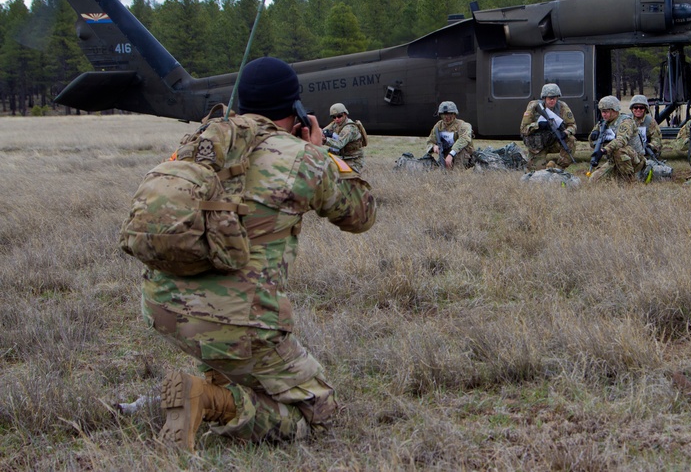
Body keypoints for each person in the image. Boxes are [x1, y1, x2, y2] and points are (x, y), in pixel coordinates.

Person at [146, 56, 377, 452]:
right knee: (318, 415)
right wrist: (321, 154)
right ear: (296, 109)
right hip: (241, 322)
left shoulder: (200, 144)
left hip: (164, 308)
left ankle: (214, 381)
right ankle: (213, 400)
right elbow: (362, 214)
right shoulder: (302, 157)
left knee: (231, 342)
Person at [587, 95, 647, 183]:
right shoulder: (603, 124)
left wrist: (604, 150)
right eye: (602, 112)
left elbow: (621, 140)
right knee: (594, 180)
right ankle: (619, 176)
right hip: (615, 160)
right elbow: (592, 144)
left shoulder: (626, 122)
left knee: (619, 150)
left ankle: (630, 180)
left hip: (635, 160)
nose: (604, 114)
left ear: (615, 110)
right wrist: (593, 136)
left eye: (606, 112)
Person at [520, 83, 577, 170]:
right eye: (550, 98)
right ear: (544, 98)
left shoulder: (562, 107)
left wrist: (565, 133)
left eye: (555, 98)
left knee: (571, 140)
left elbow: (572, 126)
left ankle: (559, 168)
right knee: (536, 173)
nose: (552, 101)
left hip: (553, 142)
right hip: (537, 145)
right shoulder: (534, 107)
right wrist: (538, 125)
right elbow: (523, 129)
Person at [426, 101, 475, 169]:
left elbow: (464, 139)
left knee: (456, 171)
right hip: (446, 154)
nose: (446, 117)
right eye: (443, 115)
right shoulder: (438, 126)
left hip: (462, 155)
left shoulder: (463, 125)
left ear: (455, 114)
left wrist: (451, 154)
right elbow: (430, 141)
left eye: (450, 115)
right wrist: (433, 147)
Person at [323, 102, 367, 172]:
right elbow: (323, 131)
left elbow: (339, 144)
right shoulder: (335, 124)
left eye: (339, 116)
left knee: (345, 180)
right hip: (342, 157)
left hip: (353, 160)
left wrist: (325, 140)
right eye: (334, 117)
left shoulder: (350, 128)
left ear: (345, 114)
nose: (336, 119)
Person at [628, 94, 662, 160]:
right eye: (635, 107)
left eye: (641, 107)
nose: (638, 109)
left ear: (645, 109)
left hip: (646, 152)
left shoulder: (650, 121)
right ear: (632, 109)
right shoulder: (627, 120)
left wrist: (649, 146)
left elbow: (657, 140)